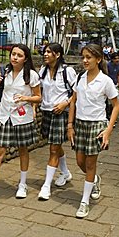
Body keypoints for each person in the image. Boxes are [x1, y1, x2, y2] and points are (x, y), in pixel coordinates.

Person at [0, 44, 41, 204]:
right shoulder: (5, 71)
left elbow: (38, 97)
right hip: (5, 116)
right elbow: (1, 90)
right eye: (13, 54)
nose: (15, 57)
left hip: (22, 117)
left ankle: (23, 184)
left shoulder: (31, 75)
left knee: (23, 149)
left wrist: (26, 98)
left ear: (25, 59)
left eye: (19, 55)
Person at [67, 44, 119, 218]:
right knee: (80, 162)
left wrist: (108, 130)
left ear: (98, 59)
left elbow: (116, 106)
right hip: (80, 125)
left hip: (97, 124)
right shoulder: (80, 78)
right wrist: (70, 125)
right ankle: (95, 180)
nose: (85, 60)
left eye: (89, 57)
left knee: (90, 164)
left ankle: (84, 201)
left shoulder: (105, 81)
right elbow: (73, 101)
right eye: (83, 57)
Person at [38, 43, 77, 200]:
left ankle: (46, 185)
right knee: (55, 145)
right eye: (45, 52)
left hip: (60, 113)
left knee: (53, 149)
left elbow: (77, 92)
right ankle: (66, 172)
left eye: (49, 52)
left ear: (58, 55)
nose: (45, 54)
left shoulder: (68, 71)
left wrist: (65, 103)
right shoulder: (43, 70)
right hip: (46, 112)